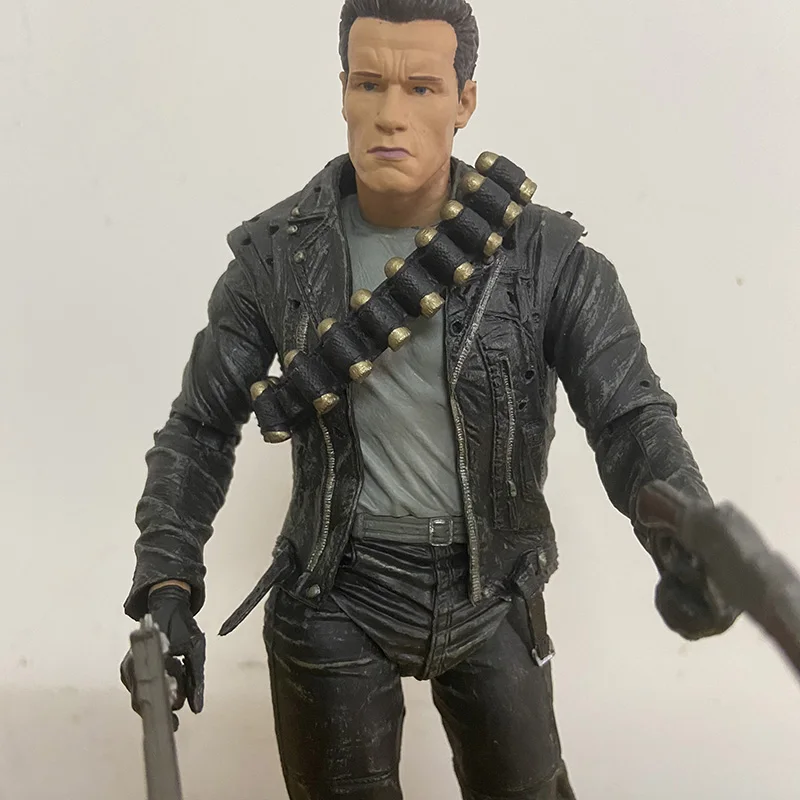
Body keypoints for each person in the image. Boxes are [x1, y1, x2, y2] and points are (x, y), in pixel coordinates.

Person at [121, 2, 739, 798]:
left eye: (421, 87)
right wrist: (168, 581)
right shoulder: (277, 258)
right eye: (370, 84)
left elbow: (630, 419)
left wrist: (690, 537)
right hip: (336, 586)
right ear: (343, 91)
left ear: (464, 101)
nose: (391, 115)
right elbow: (200, 429)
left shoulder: (546, 260)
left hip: (492, 582)